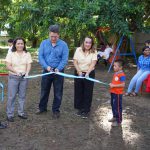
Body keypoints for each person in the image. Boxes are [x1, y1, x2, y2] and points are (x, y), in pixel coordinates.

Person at [37, 25, 69, 119]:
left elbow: (64, 59)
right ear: (49, 34)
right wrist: (46, 67)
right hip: (46, 71)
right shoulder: (43, 43)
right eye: (51, 36)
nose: (53, 38)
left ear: (58, 35)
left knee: (58, 92)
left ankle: (56, 110)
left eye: (55, 36)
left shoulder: (64, 45)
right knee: (44, 90)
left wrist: (58, 68)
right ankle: (42, 108)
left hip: (58, 72)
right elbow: (40, 57)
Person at [5, 37, 32, 122]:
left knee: (22, 96)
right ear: (15, 44)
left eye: (22, 43)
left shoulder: (27, 54)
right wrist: (16, 71)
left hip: (24, 78)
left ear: (24, 45)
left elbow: (29, 64)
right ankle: (10, 114)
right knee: (11, 96)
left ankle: (21, 112)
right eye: (18, 43)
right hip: (13, 77)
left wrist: (27, 72)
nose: (20, 45)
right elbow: (8, 66)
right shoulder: (11, 54)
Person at [73, 36, 97, 119]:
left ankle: (86, 110)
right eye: (86, 42)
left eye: (89, 42)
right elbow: (75, 61)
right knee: (79, 91)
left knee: (88, 92)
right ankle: (80, 108)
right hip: (78, 73)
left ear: (92, 44)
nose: (87, 44)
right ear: (83, 42)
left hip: (89, 74)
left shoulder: (94, 51)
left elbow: (93, 63)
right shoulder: (78, 50)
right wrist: (79, 71)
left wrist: (87, 73)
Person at [109, 59, 126, 127]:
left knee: (117, 107)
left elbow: (123, 84)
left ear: (120, 67)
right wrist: (112, 84)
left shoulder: (122, 75)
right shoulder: (116, 73)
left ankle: (118, 121)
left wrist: (113, 85)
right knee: (113, 105)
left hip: (118, 94)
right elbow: (115, 82)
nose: (114, 67)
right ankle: (114, 117)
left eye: (115, 66)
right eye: (114, 66)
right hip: (113, 92)